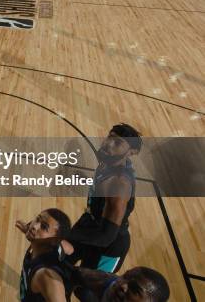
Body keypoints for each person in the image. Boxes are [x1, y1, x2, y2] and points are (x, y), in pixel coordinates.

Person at [67, 124, 141, 301]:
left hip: (110, 244)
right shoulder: (110, 162)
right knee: (61, 264)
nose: (109, 144)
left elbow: (106, 236)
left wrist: (66, 233)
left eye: (118, 142)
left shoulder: (119, 183)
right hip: (92, 223)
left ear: (132, 151)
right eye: (110, 137)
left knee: (86, 293)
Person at [15, 209, 73, 301]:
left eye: (44, 227)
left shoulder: (46, 275)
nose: (35, 226)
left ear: (54, 241)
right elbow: (70, 249)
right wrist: (27, 230)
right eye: (38, 219)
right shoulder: (46, 245)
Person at [69, 265, 170, 302]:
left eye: (135, 290)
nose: (123, 286)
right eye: (125, 277)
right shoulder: (104, 280)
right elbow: (71, 273)